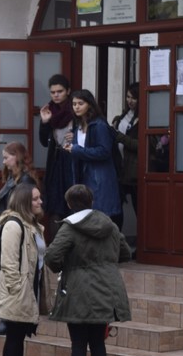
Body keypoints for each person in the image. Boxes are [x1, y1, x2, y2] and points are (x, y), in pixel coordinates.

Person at [44, 185, 132, 356]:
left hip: (79, 292)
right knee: (98, 343)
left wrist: (67, 267)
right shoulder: (110, 225)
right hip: (108, 290)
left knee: (79, 344)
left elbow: (52, 256)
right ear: (91, 202)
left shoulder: (70, 227)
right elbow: (125, 253)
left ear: (69, 204)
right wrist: (105, 264)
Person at [0, 183, 50, 356]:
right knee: (14, 337)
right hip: (17, 291)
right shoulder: (13, 225)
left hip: (29, 289)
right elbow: (8, 263)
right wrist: (17, 290)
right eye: (35, 199)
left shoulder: (33, 225)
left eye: (39, 197)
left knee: (18, 336)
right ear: (24, 201)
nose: (40, 202)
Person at [0, 141, 40, 339]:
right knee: (4, 270)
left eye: (7, 157)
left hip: (17, 230)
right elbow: (5, 203)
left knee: (10, 270)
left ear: (18, 158)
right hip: (7, 227)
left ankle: (8, 318)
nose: (4, 162)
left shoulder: (25, 181)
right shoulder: (11, 179)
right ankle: (5, 316)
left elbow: (22, 206)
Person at [62, 88, 123, 230]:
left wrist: (76, 150)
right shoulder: (78, 126)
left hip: (99, 177)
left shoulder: (99, 125)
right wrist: (71, 148)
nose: (76, 107)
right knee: (85, 218)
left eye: (80, 103)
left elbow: (104, 151)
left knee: (99, 218)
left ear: (89, 104)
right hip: (83, 176)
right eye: (74, 104)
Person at [38, 74, 74, 240]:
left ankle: (72, 247)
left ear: (68, 91)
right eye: (53, 92)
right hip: (56, 163)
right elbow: (43, 141)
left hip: (72, 161)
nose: (56, 95)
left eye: (60, 91)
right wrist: (45, 122)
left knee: (73, 203)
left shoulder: (76, 109)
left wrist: (76, 137)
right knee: (55, 205)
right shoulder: (49, 110)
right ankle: (56, 247)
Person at [111, 82, 139, 236]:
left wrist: (119, 137)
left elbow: (141, 145)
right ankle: (116, 238)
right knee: (116, 206)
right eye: (128, 97)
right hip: (120, 167)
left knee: (138, 207)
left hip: (134, 169)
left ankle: (142, 241)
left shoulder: (144, 117)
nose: (130, 101)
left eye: (134, 98)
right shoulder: (124, 115)